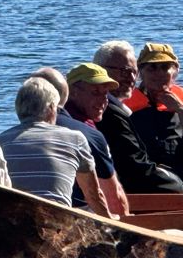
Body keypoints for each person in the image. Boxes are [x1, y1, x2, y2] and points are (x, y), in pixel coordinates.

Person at [0, 77, 115, 218]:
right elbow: (93, 196)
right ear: (52, 108)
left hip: (15, 223)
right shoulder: (75, 139)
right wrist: (112, 223)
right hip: (56, 224)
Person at [31, 65, 129, 216]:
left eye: (106, 93)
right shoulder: (88, 135)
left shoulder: (16, 133)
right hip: (73, 219)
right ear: (72, 92)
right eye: (96, 92)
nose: (104, 100)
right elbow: (114, 201)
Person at [93, 40, 183, 194]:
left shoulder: (111, 108)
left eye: (133, 71)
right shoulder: (108, 113)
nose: (130, 77)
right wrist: (180, 187)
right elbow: (136, 170)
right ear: (101, 71)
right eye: (123, 71)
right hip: (123, 192)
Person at [123, 43, 183, 190]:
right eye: (152, 68)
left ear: (175, 71)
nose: (158, 74)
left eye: (165, 67)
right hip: (139, 182)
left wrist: (181, 110)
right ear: (140, 72)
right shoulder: (124, 107)